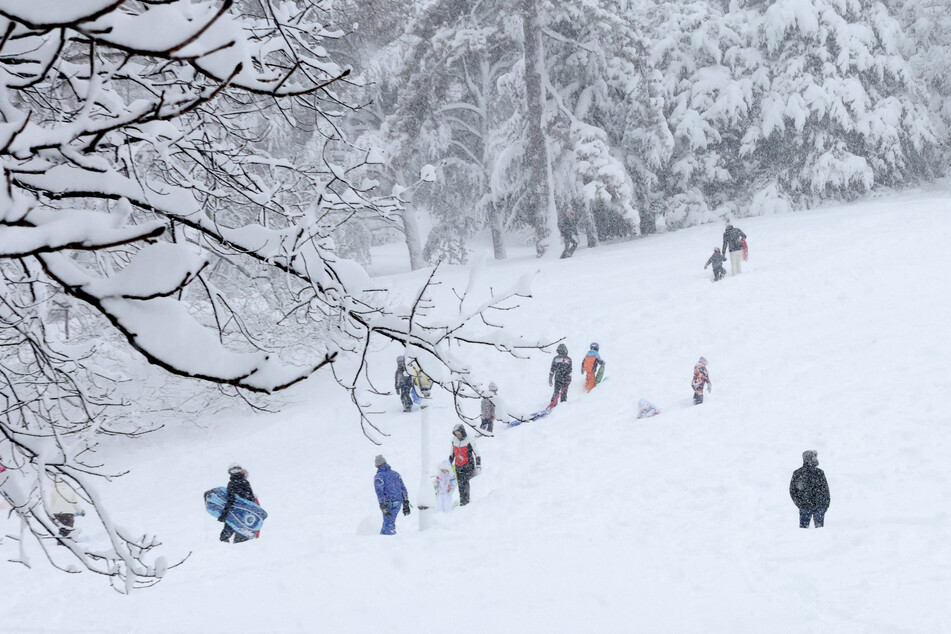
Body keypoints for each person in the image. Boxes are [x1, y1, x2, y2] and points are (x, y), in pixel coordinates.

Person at [789, 450, 831, 528]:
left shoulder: (818, 472)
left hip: (816, 506)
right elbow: (792, 490)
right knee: (809, 530)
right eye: (814, 457)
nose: (816, 459)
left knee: (812, 530)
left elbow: (825, 489)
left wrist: (826, 504)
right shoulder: (799, 473)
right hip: (810, 506)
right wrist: (799, 503)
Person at [218, 464, 256, 543]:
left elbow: (231, 499)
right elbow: (251, 498)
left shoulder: (232, 484)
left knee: (226, 533)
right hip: (245, 513)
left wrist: (224, 514)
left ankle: (226, 547)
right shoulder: (245, 482)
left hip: (235, 511)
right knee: (242, 536)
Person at [374, 455, 410, 535]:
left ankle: (389, 541)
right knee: (389, 523)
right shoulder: (396, 474)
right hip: (398, 502)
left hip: (388, 503)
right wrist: (406, 502)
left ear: (377, 466)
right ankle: (383, 539)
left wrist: (382, 504)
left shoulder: (379, 477)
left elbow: (379, 492)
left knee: (388, 525)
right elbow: (403, 489)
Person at [449, 424, 481, 506]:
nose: (458, 435)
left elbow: (477, 453)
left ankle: (466, 502)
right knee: (460, 484)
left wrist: (478, 465)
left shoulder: (469, 440)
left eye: (459, 433)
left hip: (468, 465)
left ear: (462, 432)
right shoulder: (454, 440)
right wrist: (448, 464)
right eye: (456, 433)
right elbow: (452, 454)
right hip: (458, 466)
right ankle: (462, 501)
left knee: (465, 483)